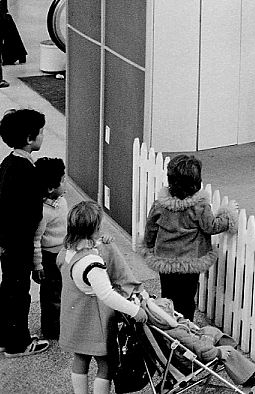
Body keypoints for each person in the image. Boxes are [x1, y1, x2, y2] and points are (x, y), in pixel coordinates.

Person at [60, 200, 147, 394]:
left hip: (75, 318)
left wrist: (99, 242)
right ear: (95, 228)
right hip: (95, 320)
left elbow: (85, 247)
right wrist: (134, 311)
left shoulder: (68, 250)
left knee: (80, 358)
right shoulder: (92, 263)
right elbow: (107, 294)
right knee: (106, 364)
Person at [141, 153, 237, 319]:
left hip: (166, 261)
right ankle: (186, 329)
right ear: (196, 183)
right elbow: (211, 226)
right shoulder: (199, 206)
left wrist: (148, 246)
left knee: (168, 297)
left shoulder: (160, 205)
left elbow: (151, 228)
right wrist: (227, 219)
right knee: (186, 299)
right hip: (190, 263)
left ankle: (168, 327)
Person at [0, 108, 49, 357]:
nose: (42, 136)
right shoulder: (27, 172)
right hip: (19, 243)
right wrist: (5, 241)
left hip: (7, 242)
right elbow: (27, 215)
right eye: (41, 132)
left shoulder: (7, 164)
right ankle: (18, 344)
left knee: (9, 290)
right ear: (29, 138)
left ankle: (4, 339)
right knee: (19, 293)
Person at [33, 156, 67, 341]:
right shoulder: (43, 212)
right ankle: (52, 330)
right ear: (50, 188)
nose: (65, 182)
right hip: (48, 258)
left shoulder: (60, 201)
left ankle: (60, 324)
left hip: (62, 253)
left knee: (61, 291)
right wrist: (37, 265)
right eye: (62, 180)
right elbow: (36, 239)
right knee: (51, 295)